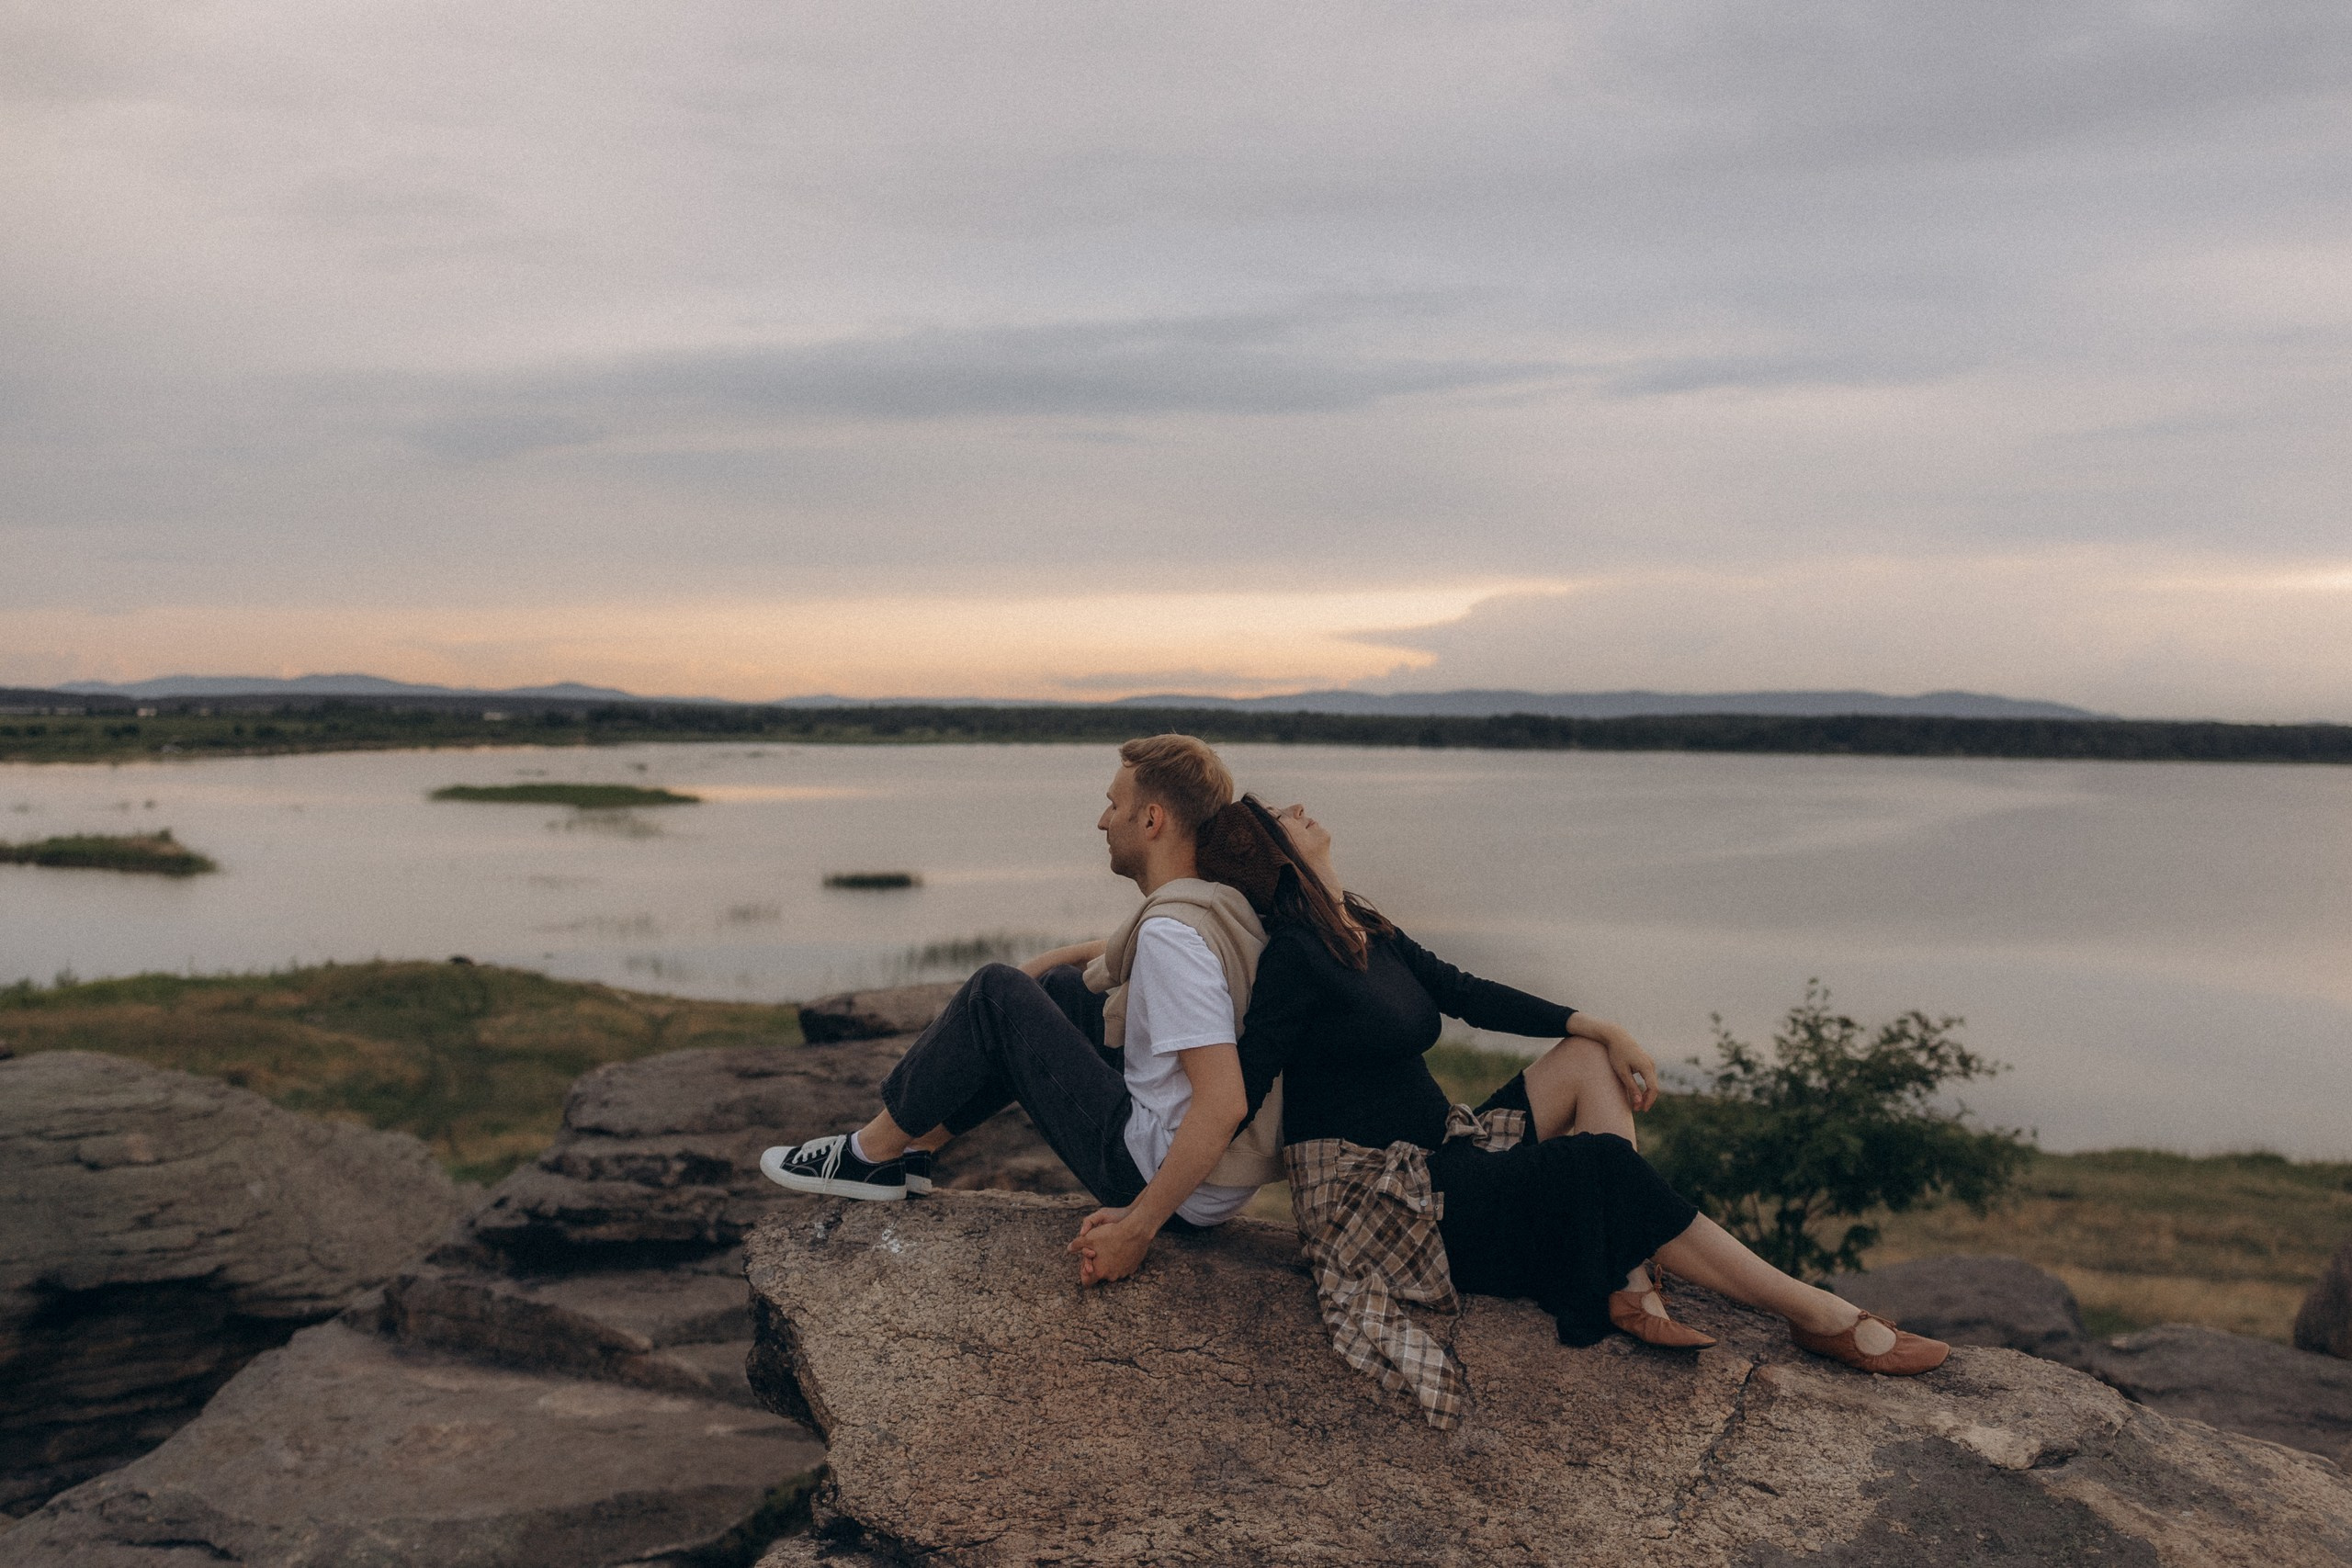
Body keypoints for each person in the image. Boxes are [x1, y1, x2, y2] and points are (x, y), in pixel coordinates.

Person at [1200, 795, 1946, 1418]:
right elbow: (1240, 1085)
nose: (1299, 806)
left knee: (1592, 1063)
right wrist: (1146, 1211)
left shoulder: (1360, 924)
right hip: (1392, 1208)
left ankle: (1627, 1279)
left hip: (1443, 1162)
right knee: (1602, 1164)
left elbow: (1463, 992)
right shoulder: (1295, 957)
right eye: (1280, 812)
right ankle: (1818, 1316)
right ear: (1275, 854)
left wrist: (1598, 1024)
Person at [761, 735, 1272, 1286]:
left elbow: (1222, 1103)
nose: (1103, 821)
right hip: (1203, 1181)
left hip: (1159, 1178)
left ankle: (868, 1155)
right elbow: (1118, 952)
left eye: (1114, 805)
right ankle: (919, 1143)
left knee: (993, 991)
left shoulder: (1172, 938)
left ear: (1152, 821)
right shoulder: (1212, 904)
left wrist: (1139, 1225)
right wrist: (1040, 973)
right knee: (1053, 990)